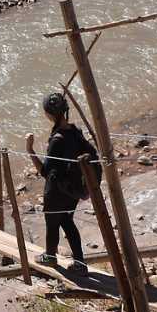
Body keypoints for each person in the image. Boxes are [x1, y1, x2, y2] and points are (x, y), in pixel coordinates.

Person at [25, 92, 95, 276]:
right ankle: (80, 262)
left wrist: (30, 150)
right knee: (67, 221)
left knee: (52, 223)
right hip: (73, 191)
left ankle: (50, 256)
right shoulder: (75, 132)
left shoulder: (57, 140)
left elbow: (46, 172)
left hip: (56, 193)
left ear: (49, 114)